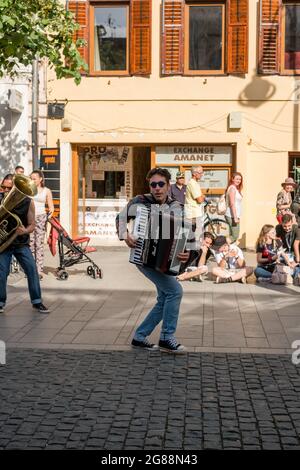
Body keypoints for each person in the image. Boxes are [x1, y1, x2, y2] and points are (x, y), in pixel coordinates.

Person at [116, 167, 190, 353]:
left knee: (165, 297)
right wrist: (125, 235)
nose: (157, 188)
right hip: (143, 256)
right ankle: (166, 337)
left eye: (161, 184)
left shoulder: (176, 206)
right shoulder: (140, 201)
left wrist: (186, 253)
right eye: (153, 185)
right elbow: (120, 219)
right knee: (175, 292)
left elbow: (184, 237)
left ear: (168, 185)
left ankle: (140, 337)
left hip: (164, 261)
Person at [0, 174, 49, 314]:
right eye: (2, 187)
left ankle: (37, 302)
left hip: (21, 243)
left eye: (8, 188)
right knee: (2, 273)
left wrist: (24, 230)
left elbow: (32, 225)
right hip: (4, 245)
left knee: (32, 270)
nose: (4, 190)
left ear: (15, 188)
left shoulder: (28, 202)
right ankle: (0, 302)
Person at [30, 170, 54, 279]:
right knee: (30, 244)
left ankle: (38, 270)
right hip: (29, 218)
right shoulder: (28, 190)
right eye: (31, 178)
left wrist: (48, 216)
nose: (32, 180)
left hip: (40, 218)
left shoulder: (46, 191)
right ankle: (30, 269)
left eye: (34, 178)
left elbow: (51, 207)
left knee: (38, 244)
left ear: (40, 179)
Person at [225, 172, 243, 243]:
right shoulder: (232, 188)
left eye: (240, 179)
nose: (239, 181)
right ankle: (219, 245)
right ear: (232, 179)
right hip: (232, 215)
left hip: (234, 215)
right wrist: (235, 217)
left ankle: (227, 251)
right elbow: (232, 204)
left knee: (232, 235)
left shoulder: (235, 188)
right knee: (234, 236)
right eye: (237, 179)